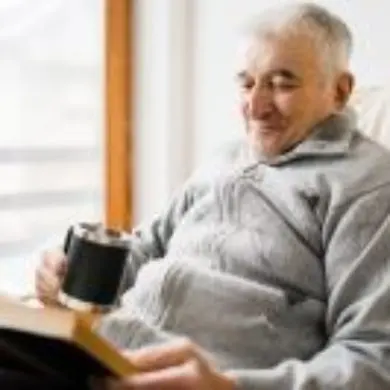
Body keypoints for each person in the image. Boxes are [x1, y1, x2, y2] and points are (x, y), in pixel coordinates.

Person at [33, 2, 390, 390]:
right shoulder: (225, 159)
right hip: (101, 353)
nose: (255, 107)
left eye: (282, 83)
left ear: (340, 91)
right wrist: (66, 271)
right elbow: (145, 250)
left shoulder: (367, 185)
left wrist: (229, 387)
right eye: (247, 82)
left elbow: (371, 358)